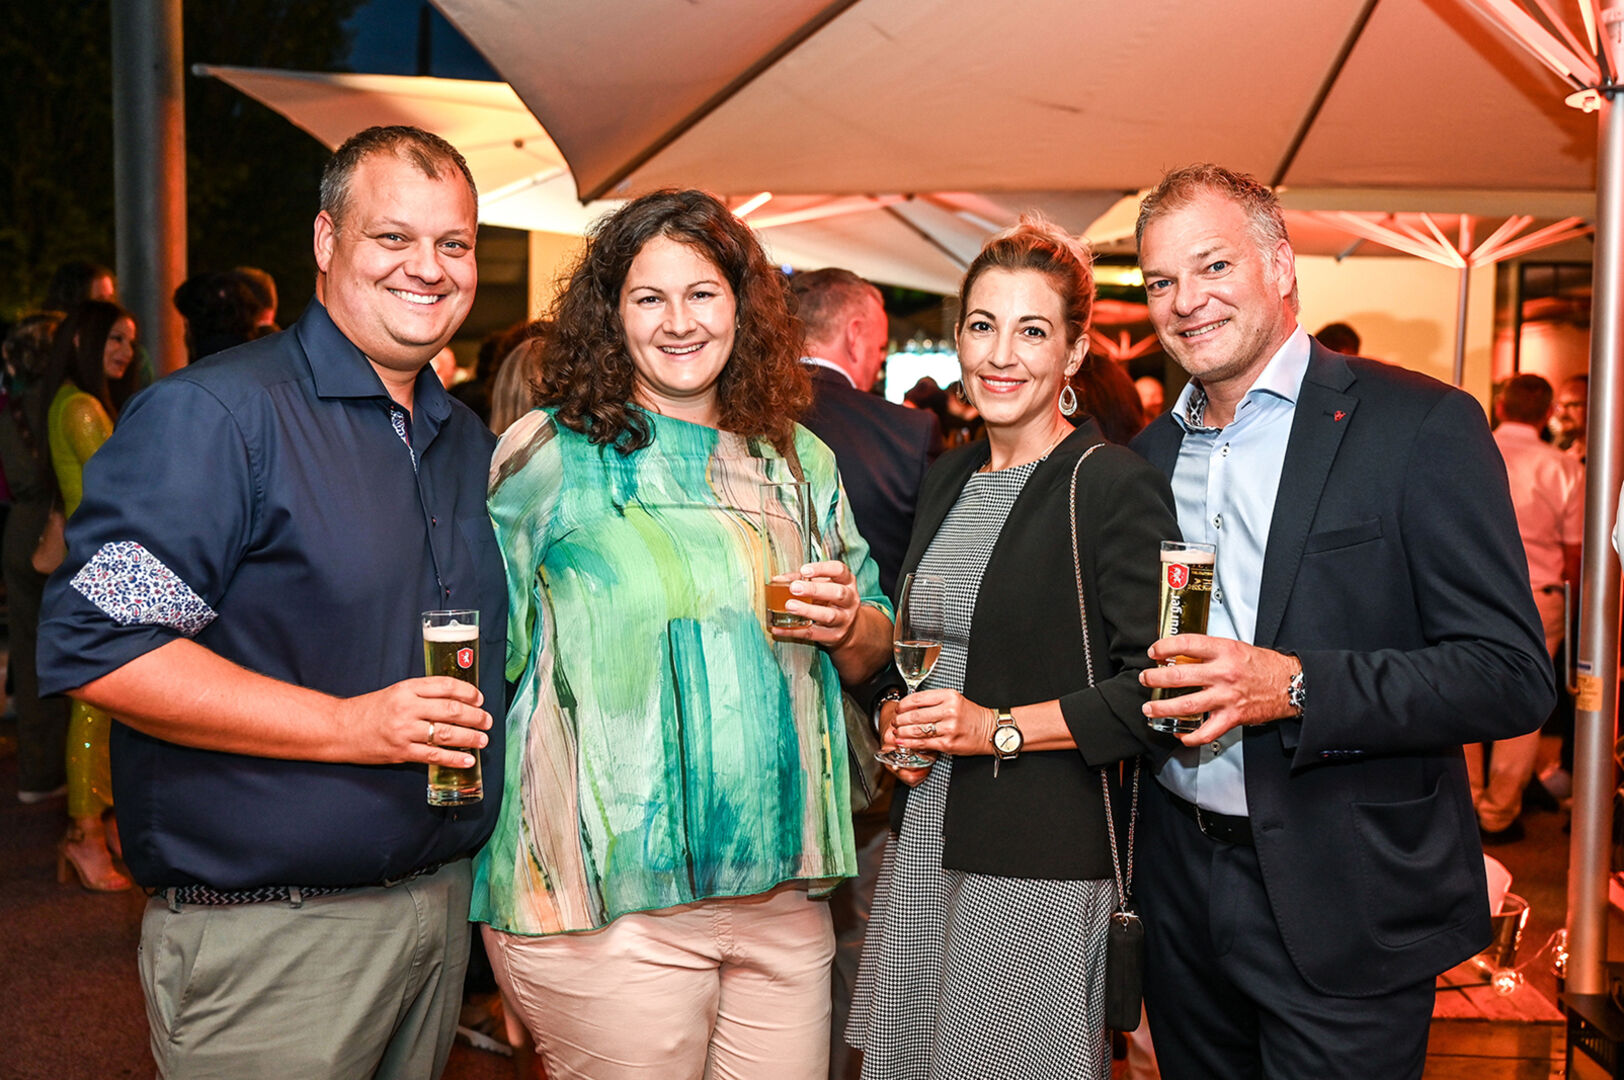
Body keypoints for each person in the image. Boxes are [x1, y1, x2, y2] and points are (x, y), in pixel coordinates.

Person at [36, 124, 505, 1079]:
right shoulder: (220, 418)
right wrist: (349, 726)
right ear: (327, 243)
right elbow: (99, 644)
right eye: (393, 238)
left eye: (452, 245)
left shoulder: (462, 440)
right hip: (274, 946)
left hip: (435, 921)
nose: (428, 268)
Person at [1130, 164, 1553, 1080]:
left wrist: (1294, 687)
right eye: (1161, 281)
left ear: (1281, 267)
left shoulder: (1419, 424)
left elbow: (1510, 671)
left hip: (1347, 889)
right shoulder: (1151, 455)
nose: (1185, 301)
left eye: (1212, 267)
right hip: (1182, 888)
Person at [476, 189, 892, 1080]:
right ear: (609, 314)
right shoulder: (546, 454)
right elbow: (483, 661)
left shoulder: (796, 458)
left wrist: (851, 621)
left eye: (702, 293)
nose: (679, 323)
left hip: (785, 892)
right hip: (604, 903)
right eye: (648, 298)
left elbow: (873, 644)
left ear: (742, 307)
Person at [847, 216, 1178, 1079]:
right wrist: (902, 720)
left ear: (1073, 354)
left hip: (1038, 861)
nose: (1002, 353)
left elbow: (1160, 692)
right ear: (958, 338)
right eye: (983, 325)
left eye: (1033, 330)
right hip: (928, 832)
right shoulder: (950, 474)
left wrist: (993, 728)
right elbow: (927, 652)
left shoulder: (1110, 485)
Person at [787, 266, 941, 1079]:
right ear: (854, 336)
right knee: (860, 941)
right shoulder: (904, 434)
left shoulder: (740, 417)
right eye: (879, 341)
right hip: (874, 726)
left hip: (765, 733)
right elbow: (928, 590)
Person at [42, 300, 138, 891]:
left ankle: (101, 822)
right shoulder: (81, 408)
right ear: (86, 341)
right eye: (115, 341)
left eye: (130, 342)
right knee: (98, 705)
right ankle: (85, 835)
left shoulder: (74, 402)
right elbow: (123, 483)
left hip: (102, 560)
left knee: (109, 701)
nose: (126, 352)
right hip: (104, 563)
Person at [1466, 373, 1582, 843]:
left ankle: (1467, 796)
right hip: (1539, 594)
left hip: (1468, 587)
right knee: (1525, 700)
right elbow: (1575, 554)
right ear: (1547, 411)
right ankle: (1498, 813)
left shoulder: (1470, 449)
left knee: (1462, 687)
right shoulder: (1563, 467)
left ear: (1501, 403)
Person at [0, 313, 69, 804]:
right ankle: (67, 772)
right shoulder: (65, 401)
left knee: (27, 655)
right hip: (56, 525)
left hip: (19, 527)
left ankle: (34, 774)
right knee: (69, 651)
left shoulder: (10, 403)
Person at [1552, 373, 1587, 461]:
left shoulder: (1610, 455)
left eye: (1573, 405)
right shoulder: (1560, 450)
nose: (1563, 414)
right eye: (1559, 406)